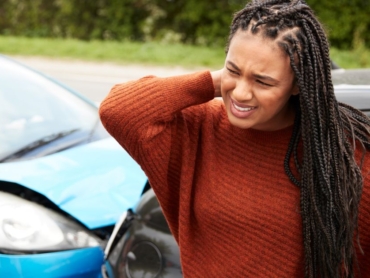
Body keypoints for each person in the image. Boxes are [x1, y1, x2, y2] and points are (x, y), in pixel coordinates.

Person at [99, 0, 370, 277]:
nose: (240, 93)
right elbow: (118, 110)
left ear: (299, 84)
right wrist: (217, 82)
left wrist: (239, 73)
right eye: (233, 70)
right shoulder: (199, 126)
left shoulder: (345, 157)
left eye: (263, 81)